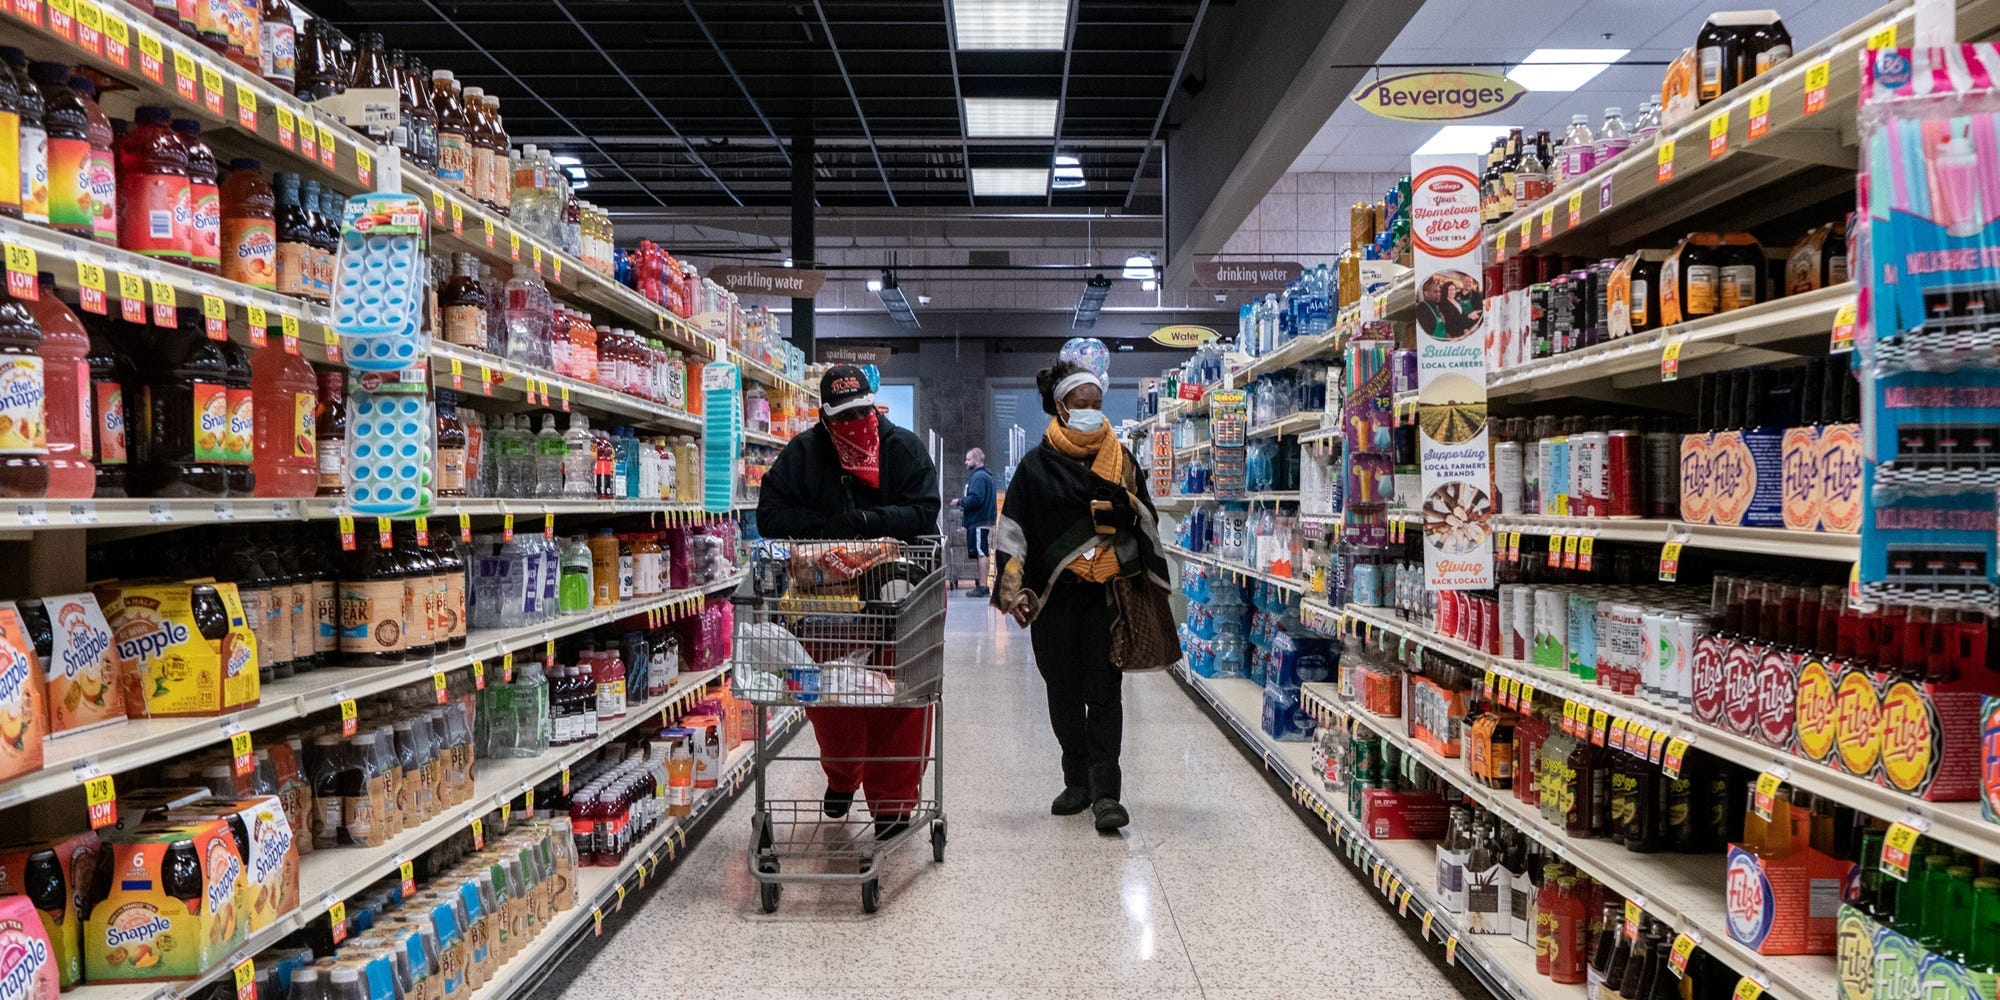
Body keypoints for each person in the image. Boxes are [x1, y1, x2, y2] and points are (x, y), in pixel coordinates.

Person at [757, 364, 941, 839]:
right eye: (843, 417)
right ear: (823, 416)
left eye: (862, 411)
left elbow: (925, 510)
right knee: (831, 697)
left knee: (901, 699)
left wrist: (866, 521)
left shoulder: (903, 449)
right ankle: (843, 777)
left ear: (872, 404)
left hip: (900, 599)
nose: (854, 423)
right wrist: (832, 529)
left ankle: (893, 806)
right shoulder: (803, 453)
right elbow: (770, 515)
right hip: (826, 601)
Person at [991, 358, 1172, 833]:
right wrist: (1013, 585)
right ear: (1060, 406)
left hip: (1106, 597)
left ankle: (1107, 792)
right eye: (1082, 405)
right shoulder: (1034, 467)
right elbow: (1013, 531)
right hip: (1055, 597)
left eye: (1098, 404)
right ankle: (1077, 780)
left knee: (1105, 691)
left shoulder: (1123, 460)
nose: (1093, 412)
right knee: (1062, 690)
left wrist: (1126, 509)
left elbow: (1147, 520)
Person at [953, 448, 997, 597]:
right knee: (981, 551)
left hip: (979, 520)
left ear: (976, 460)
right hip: (983, 520)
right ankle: (982, 584)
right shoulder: (986, 476)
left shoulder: (979, 477)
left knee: (981, 552)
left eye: (968, 459)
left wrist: (960, 501)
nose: (966, 462)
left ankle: (983, 586)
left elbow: (976, 498)